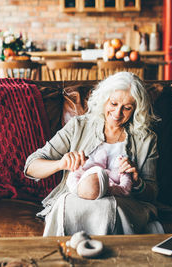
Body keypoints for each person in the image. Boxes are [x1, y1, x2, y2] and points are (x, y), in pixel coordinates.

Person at [24, 71, 164, 236]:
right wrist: (60, 163)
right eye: (113, 103)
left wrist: (137, 182)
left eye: (127, 108)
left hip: (121, 203)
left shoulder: (146, 139)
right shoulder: (78, 126)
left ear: (136, 109)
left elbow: (152, 193)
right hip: (77, 199)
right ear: (104, 99)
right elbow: (31, 166)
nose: (118, 113)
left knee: (106, 208)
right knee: (68, 205)